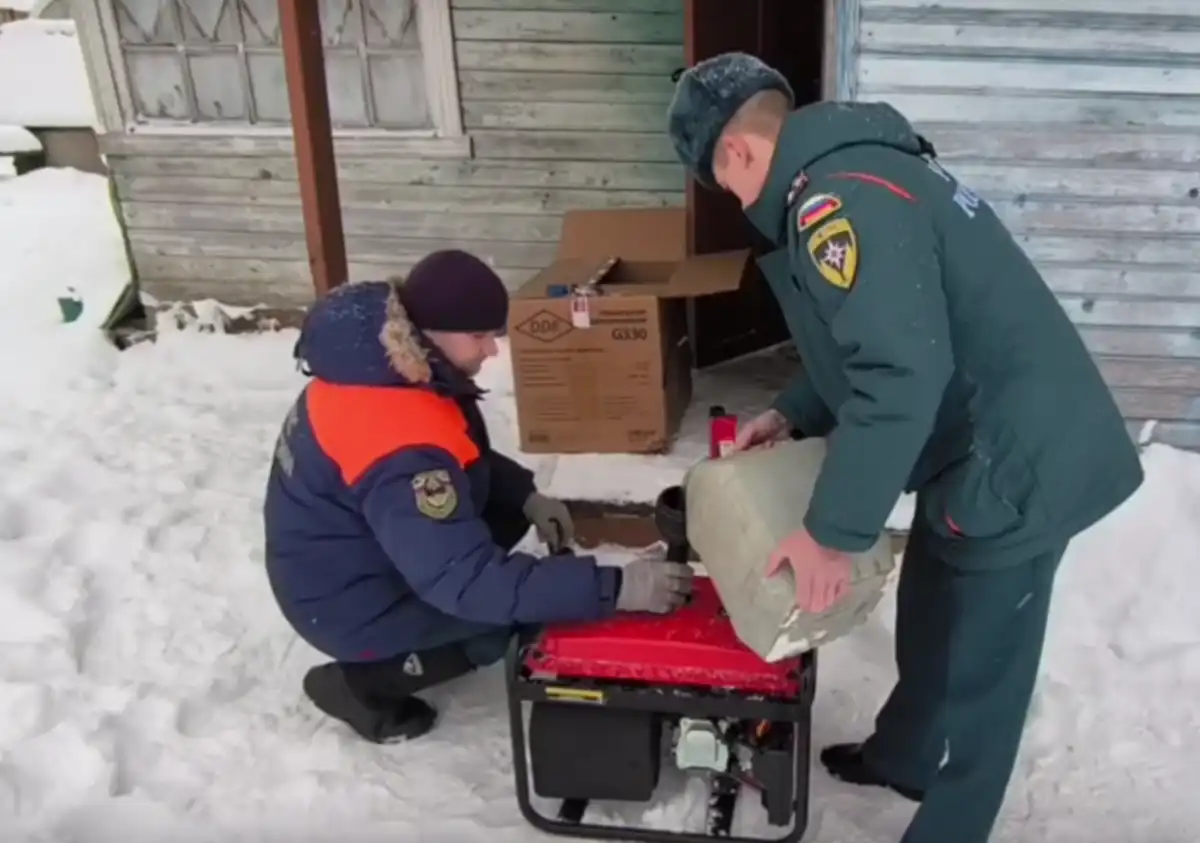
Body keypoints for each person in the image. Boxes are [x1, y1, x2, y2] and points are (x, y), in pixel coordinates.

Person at [666, 53, 1143, 843]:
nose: (740, 204)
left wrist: (831, 534)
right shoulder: (856, 173)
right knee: (929, 610)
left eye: (728, 186)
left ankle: (948, 825)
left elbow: (898, 374)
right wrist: (792, 411)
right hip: (973, 446)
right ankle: (907, 753)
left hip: (1020, 459)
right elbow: (879, 339)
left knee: (986, 669)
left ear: (740, 152)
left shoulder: (838, 201)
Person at [262, 250, 693, 743]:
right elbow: (466, 583)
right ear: (432, 328)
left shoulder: (381, 363)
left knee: (500, 546)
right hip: (347, 604)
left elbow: (457, 453)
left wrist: (526, 496)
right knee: (502, 622)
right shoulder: (398, 439)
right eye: (479, 336)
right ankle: (359, 685)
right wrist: (616, 588)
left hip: (342, 556)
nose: (491, 351)